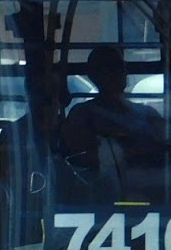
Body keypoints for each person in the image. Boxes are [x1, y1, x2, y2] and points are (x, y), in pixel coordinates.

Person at [61, 46, 165, 176]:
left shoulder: (148, 114)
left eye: (120, 65)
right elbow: (77, 159)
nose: (118, 71)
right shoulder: (82, 115)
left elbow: (165, 152)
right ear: (93, 74)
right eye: (108, 67)